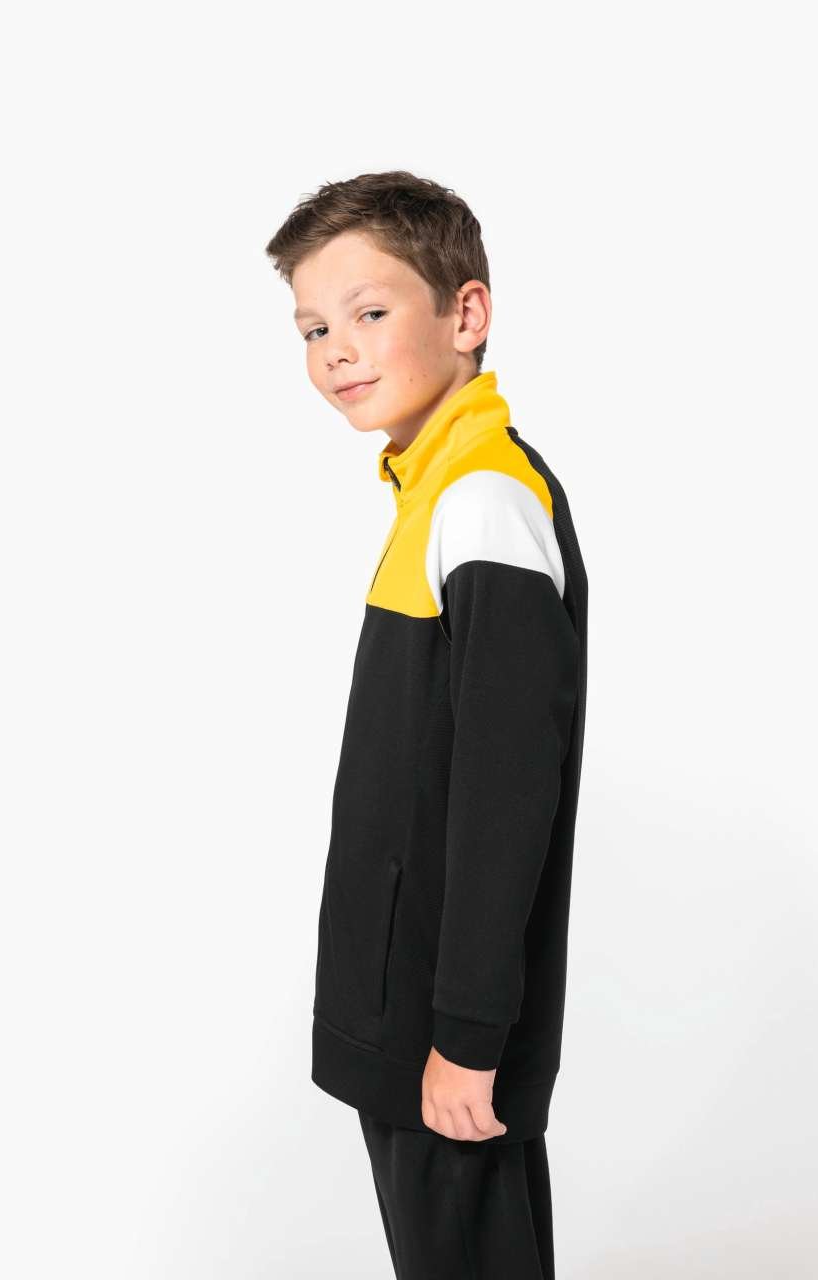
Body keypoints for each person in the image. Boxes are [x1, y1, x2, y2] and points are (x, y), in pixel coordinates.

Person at [265, 170, 588, 1279]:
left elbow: (505, 800)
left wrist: (466, 1037)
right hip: (406, 1013)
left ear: (466, 314)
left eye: (368, 311)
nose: (336, 351)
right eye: (314, 327)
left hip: (443, 1036)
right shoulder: (432, 489)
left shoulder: (482, 499)